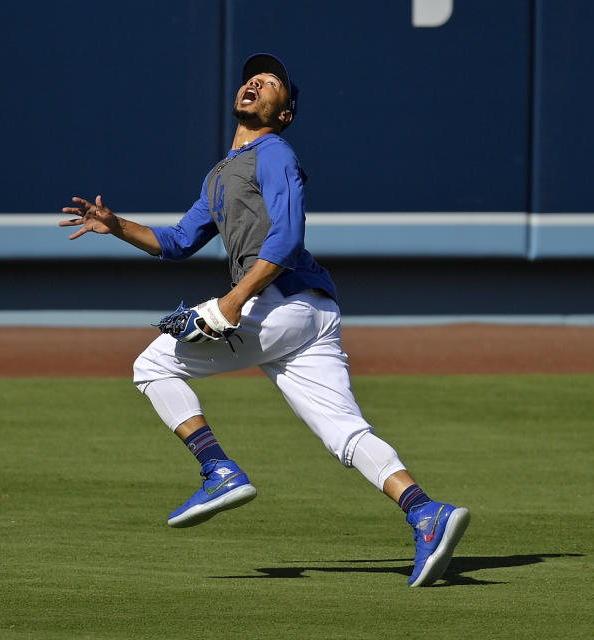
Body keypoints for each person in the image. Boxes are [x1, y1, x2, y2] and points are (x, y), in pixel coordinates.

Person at [60, 53, 470, 587]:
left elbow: (286, 236)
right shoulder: (219, 176)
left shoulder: (273, 152)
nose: (256, 81)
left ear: (285, 113)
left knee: (152, 365)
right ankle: (424, 512)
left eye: (271, 81)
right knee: (344, 431)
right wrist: (116, 226)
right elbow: (177, 241)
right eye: (253, 76)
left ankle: (218, 470)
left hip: (281, 302)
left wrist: (232, 303)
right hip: (311, 313)